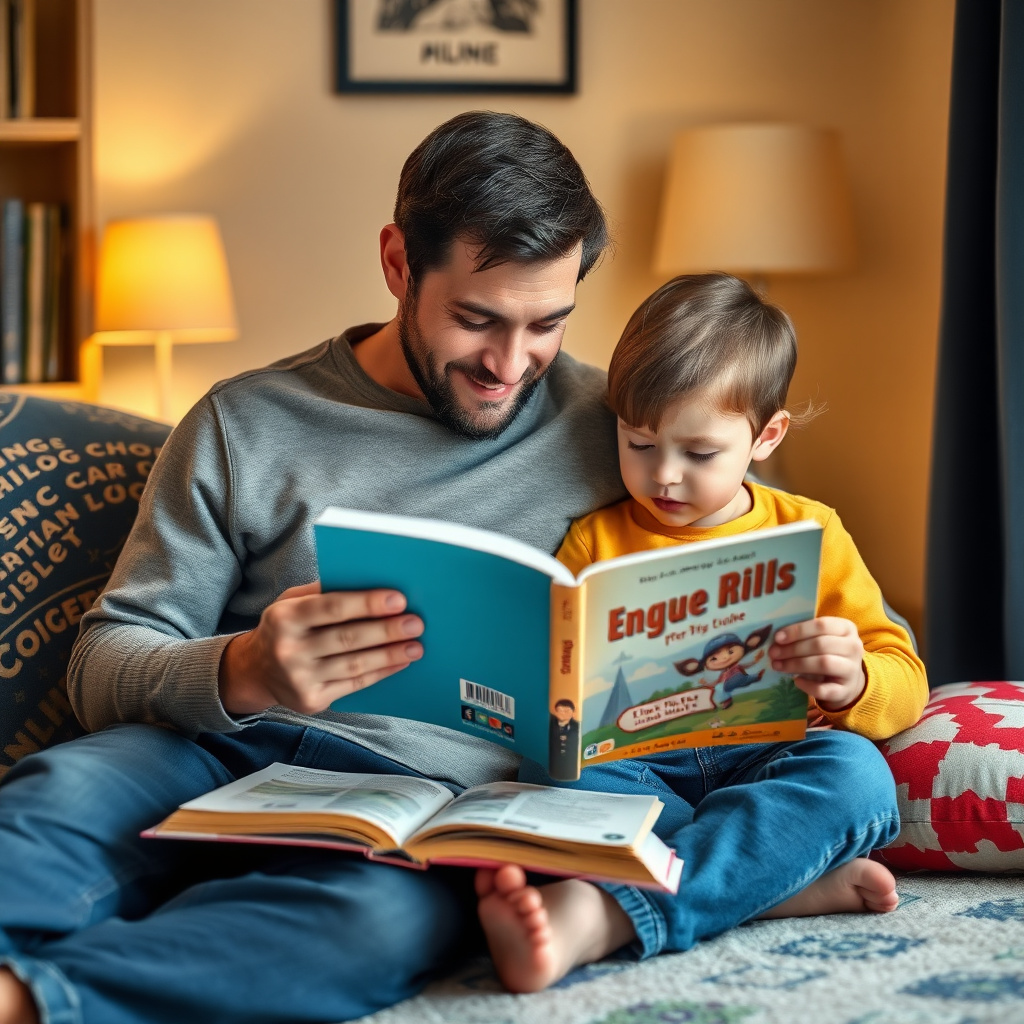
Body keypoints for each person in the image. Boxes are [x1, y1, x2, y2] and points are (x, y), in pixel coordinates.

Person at [0, 111, 628, 1024]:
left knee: (374, 928)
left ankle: (33, 1000)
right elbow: (102, 663)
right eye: (477, 319)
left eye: (548, 325)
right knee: (56, 798)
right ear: (398, 264)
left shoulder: (624, 429)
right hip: (210, 754)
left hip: (423, 805)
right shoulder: (244, 421)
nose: (509, 364)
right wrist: (243, 668)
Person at [474, 272, 930, 994]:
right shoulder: (596, 540)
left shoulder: (809, 530)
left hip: (770, 754)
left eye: (700, 453)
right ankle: (767, 884)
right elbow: (548, 673)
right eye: (640, 443)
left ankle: (602, 917)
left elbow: (906, 679)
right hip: (637, 762)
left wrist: (857, 680)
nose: (665, 476)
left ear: (766, 435)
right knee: (549, 784)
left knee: (858, 780)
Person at [548, 697, 580, 776]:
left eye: (567, 711)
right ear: (555, 712)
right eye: (560, 710)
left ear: (573, 713)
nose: (563, 713)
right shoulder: (549, 724)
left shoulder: (577, 727)